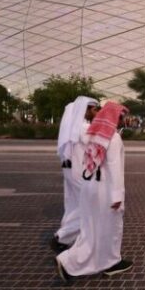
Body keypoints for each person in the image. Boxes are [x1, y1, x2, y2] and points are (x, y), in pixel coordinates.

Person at [56, 101, 133, 282]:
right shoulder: (113, 138)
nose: (122, 121)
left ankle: (104, 261)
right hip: (104, 190)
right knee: (110, 228)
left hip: (89, 187)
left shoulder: (91, 135)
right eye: (121, 117)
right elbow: (114, 168)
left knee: (91, 230)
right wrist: (117, 196)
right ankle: (72, 262)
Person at [50, 96, 100, 253]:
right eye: (95, 109)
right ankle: (63, 236)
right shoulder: (83, 128)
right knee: (90, 205)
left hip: (71, 170)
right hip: (78, 172)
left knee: (75, 204)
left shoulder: (75, 127)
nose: (97, 112)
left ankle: (68, 237)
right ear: (86, 109)